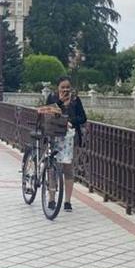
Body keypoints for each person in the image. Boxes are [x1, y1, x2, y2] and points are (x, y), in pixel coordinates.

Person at [45, 76, 87, 211]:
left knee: (68, 168)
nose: (65, 90)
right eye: (63, 87)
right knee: (53, 167)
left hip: (71, 138)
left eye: (67, 87)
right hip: (55, 136)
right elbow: (48, 113)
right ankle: (51, 198)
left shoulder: (76, 100)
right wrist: (60, 102)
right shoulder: (52, 97)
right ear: (58, 88)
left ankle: (67, 201)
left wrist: (71, 121)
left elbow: (83, 118)